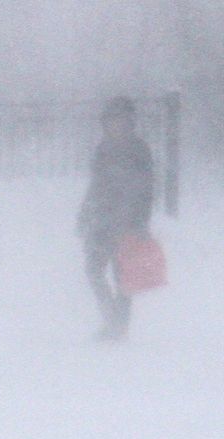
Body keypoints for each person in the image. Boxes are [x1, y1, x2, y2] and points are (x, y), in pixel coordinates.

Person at [77, 96, 155, 341]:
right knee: (93, 270)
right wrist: (84, 212)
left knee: (123, 275)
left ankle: (118, 327)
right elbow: (96, 184)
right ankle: (113, 321)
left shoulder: (138, 150)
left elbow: (147, 188)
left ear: (130, 122)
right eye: (111, 120)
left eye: (120, 119)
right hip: (101, 219)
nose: (115, 125)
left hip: (127, 220)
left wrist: (139, 221)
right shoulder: (102, 148)